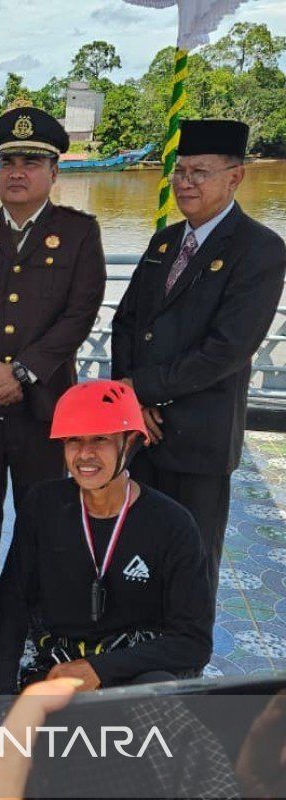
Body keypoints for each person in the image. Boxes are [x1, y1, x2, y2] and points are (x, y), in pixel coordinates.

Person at [112, 119, 286, 594]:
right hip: (140, 433)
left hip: (200, 437)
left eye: (200, 172)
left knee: (191, 555)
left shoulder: (260, 250)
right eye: (180, 171)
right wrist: (130, 401)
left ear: (236, 177)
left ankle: (185, 656)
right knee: (135, 546)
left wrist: (140, 389)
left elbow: (226, 349)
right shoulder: (165, 242)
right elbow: (125, 323)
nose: (185, 182)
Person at [0, 105, 106, 538]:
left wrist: (21, 373)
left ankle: (35, 605)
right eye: (8, 162)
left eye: (31, 162)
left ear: (54, 173)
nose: (17, 173)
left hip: (45, 408)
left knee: (46, 520)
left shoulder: (79, 233)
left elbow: (80, 313)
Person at [0, 380, 213, 699]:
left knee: (155, 714)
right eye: (73, 441)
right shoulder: (43, 505)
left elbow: (194, 642)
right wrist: (2, 698)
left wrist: (100, 669)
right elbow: (13, 603)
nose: (84, 454)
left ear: (132, 442)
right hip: (58, 665)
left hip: (137, 670)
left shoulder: (172, 524)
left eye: (100, 440)